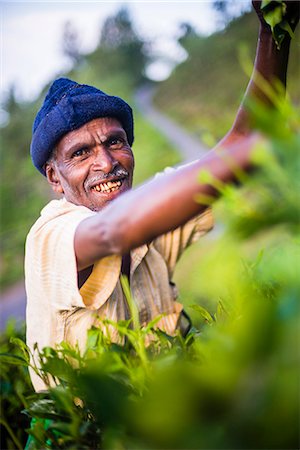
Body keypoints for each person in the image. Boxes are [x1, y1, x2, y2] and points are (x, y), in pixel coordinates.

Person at [25, 1, 299, 392]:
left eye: (115, 142)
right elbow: (111, 232)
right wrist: (260, 151)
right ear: (55, 178)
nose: (106, 162)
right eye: (80, 153)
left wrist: (274, 30)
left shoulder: (150, 223)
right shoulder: (49, 237)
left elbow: (242, 139)